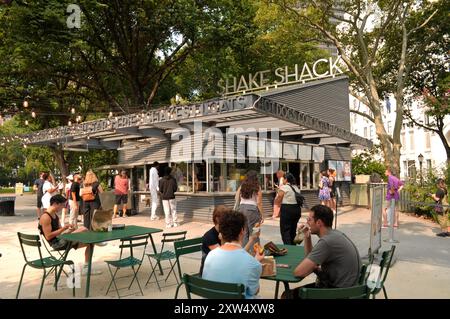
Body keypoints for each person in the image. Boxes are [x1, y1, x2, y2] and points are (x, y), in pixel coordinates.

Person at [283, 205, 360, 298]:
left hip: (338, 292)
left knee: (287, 296)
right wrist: (307, 236)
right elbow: (310, 257)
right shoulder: (334, 234)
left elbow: (298, 272)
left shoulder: (326, 242)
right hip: (349, 289)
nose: (307, 223)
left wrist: (311, 267)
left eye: (309, 220)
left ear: (319, 222)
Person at [202, 210, 264, 299]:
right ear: (242, 231)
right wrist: (256, 261)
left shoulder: (210, 256)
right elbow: (254, 291)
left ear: (221, 233)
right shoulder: (253, 264)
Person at [38, 194, 102, 275]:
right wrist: (64, 228)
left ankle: (87, 267)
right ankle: (97, 241)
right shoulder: (45, 217)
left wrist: (68, 230)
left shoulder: (55, 215)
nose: (63, 208)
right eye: (62, 206)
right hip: (57, 244)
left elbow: (61, 232)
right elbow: (48, 236)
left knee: (88, 238)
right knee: (84, 230)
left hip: (61, 239)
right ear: (55, 204)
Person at [200, 206, 261, 276]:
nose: (229, 220)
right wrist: (256, 261)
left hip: (218, 276)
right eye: (226, 218)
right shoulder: (210, 237)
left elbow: (236, 255)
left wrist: (252, 239)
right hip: (216, 273)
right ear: (217, 219)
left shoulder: (227, 235)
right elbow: (226, 258)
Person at [235, 170, 264, 249]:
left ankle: (243, 253)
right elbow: (259, 202)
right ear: (256, 178)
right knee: (254, 233)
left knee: (244, 233)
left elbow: (237, 198)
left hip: (241, 209)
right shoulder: (257, 187)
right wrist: (262, 215)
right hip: (252, 210)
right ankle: (255, 253)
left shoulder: (242, 186)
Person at [274, 172, 302, 245]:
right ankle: (293, 247)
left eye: (283, 178)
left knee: (285, 231)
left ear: (286, 179)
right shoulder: (296, 187)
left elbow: (279, 198)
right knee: (293, 230)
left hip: (287, 209)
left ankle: (288, 248)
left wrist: (276, 200)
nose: (282, 180)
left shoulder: (284, 187)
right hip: (297, 209)